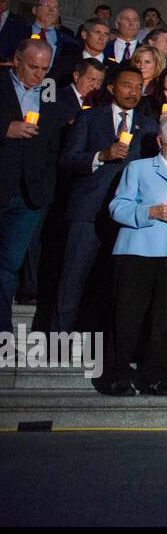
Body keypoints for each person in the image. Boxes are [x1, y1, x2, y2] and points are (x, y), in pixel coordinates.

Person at [99, 114, 167, 396]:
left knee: (166, 318)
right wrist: (151, 212)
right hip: (139, 248)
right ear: (160, 141)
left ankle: (157, 375)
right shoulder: (138, 168)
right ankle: (117, 373)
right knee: (128, 313)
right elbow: (117, 207)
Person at [55, 66, 160, 334]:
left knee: (111, 283)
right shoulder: (90, 118)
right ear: (112, 88)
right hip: (88, 211)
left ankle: (97, 341)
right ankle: (58, 340)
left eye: (139, 87)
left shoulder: (149, 127)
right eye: (127, 85)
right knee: (73, 278)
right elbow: (68, 159)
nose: (133, 92)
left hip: (127, 215)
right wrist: (101, 155)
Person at [0, 40, 68, 335]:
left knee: (8, 267)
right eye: (32, 67)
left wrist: (45, 189)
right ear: (16, 59)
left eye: (44, 69)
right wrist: (5, 129)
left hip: (29, 196)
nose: (38, 74)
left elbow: (54, 146)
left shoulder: (51, 96)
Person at [0, 0, 76, 62]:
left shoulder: (69, 43)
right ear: (34, 10)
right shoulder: (15, 33)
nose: (51, 10)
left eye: (55, 7)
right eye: (46, 5)